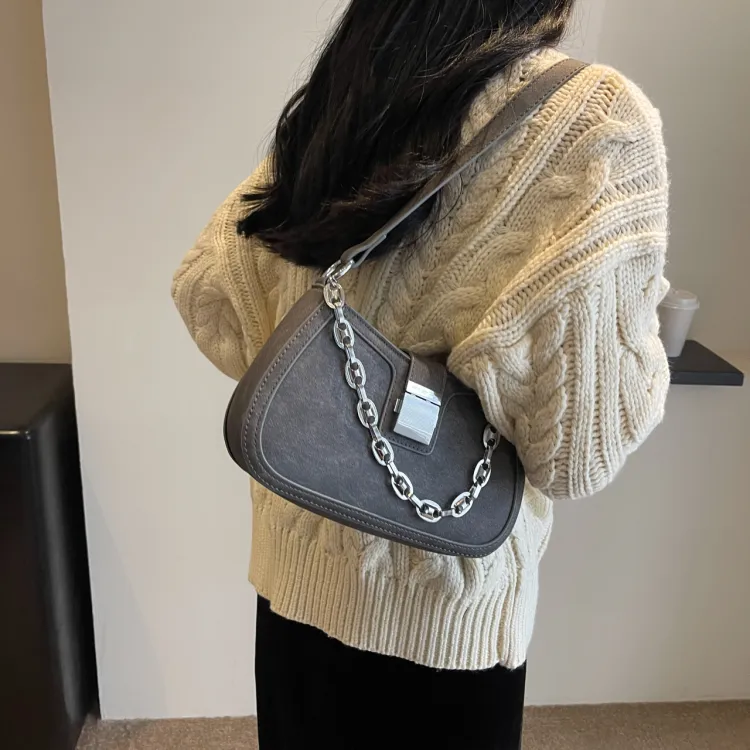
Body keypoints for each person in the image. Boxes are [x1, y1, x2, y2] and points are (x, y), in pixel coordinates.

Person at [172, 1, 670, 748]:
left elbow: (208, 290)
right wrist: (639, 323)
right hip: (445, 611)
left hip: (295, 574)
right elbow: (578, 454)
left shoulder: (356, 86)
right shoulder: (598, 120)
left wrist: (342, 395)